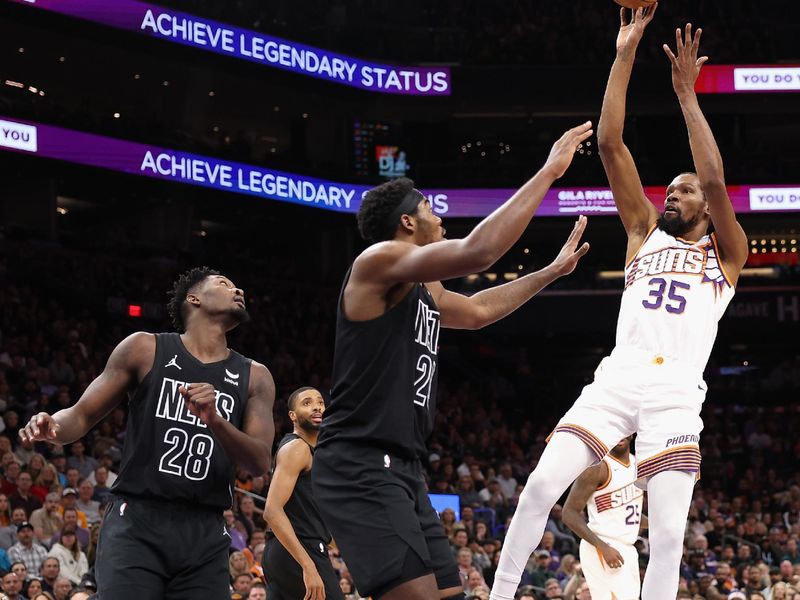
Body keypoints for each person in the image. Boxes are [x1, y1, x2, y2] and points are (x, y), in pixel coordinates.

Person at [489, 8, 748, 600]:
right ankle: (499, 594)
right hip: (617, 378)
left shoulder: (727, 252)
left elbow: (712, 178)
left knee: (671, 535)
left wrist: (687, 95)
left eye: (683, 191)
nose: (674, 195)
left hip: (678, 392)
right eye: (671, 190)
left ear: (706, 209)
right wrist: (625, 52)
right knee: (537, 489)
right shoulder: (640, 232)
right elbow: (609, 142)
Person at [313, 121, 594, 600]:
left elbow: (480, 311)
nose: (437, 214)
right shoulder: (377, 261)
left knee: (451, 594)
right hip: (358, 462)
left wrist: (548, 273)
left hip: (403, 467)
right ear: (406, 222)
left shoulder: (426, 287)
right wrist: (548, 173)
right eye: (427, 207)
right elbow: (478, 251)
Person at [19, 268, 277, 599]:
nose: (237, 288)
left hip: (206, 529)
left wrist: (216, 421)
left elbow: (258, 462)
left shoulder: (256, 376)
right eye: (225, 284)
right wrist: (52, 426)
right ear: (193, 298)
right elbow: (81, 415)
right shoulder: (145, 348)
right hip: (137, 520)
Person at [263, 387, 344, 600]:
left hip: (288, 550)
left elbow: (311, 516)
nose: (317, 406)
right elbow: (272, 511)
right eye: (307, 403)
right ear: (292, 415)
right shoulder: (297, 448)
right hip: (298, 550)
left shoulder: (315, 452)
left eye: (320, 402)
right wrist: (308, 565)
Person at [562, 437, 644, 599]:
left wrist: (662, 524)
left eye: (624, 431)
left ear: (632, 434)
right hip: (602, 545)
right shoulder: (597, 468)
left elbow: (629, 514)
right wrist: (602, 547)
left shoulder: (638, 465)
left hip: (627, 548)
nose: (620, 435)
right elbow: (568, 513)